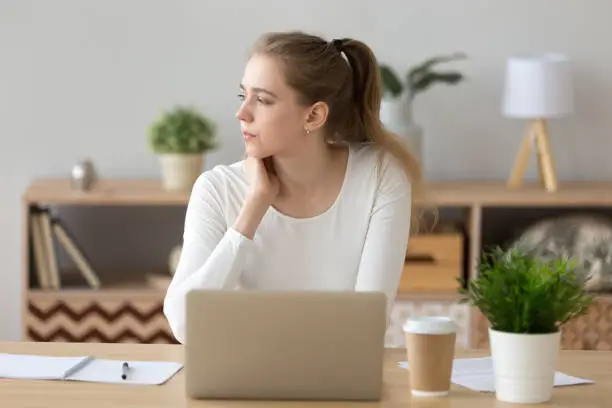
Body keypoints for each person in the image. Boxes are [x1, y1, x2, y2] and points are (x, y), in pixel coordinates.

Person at [163, 31, 423, 344]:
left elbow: (367, 324)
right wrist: (254, 207)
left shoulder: (379, 176)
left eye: (262, 100)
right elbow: (185, 325)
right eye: (242, 96)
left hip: (338, 380)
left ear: (314, 115)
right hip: (240, 381)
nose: (242, 113)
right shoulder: (216, 189)